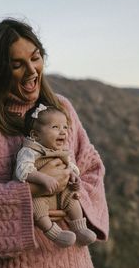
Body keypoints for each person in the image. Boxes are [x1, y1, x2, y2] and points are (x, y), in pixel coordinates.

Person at [0, 18, 109, 268]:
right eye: (17, 65)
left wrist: (71, 191)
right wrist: (32, 190)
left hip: (74, 265)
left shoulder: (62, 109)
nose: (32, 71)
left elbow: (91, 168)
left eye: (35, 58)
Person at [15, 103, 97, 248]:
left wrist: (74, 178)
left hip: (60, 192)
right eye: (55, 127)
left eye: (65, 127)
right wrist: (43, 178)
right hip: (40, 195)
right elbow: (23, 170)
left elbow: (70, 167)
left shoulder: (61, 152)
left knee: (72, 198)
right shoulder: (29, 151)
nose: (63, 132)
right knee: (36, 207)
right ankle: (54, 233)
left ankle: (80, 228)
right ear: (35, 135)